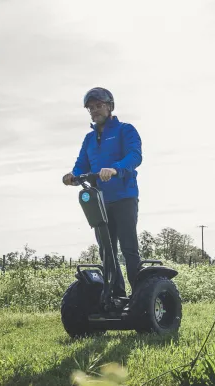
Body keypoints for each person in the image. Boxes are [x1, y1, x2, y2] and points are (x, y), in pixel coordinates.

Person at [62, 87, 142, 298]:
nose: (94, 111)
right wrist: (73, 175)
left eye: (98, 106)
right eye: (91, 108)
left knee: (128, 248)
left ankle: (140, 296)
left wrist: (115, 168)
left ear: (110, 106)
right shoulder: (89, 139)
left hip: (124, 197)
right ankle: (116, 295)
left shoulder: (125, 130)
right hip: (99, 201)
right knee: (106, 251)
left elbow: (134, 156)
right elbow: (82, 164)